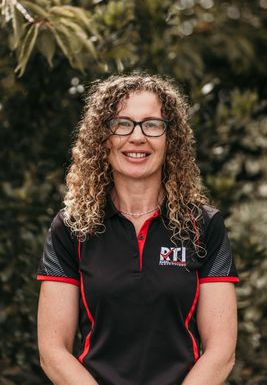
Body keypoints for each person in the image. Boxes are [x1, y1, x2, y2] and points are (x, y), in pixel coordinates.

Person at [37, 73, 239, 385]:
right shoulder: (71, 227)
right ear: (103, 138)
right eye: (122, 123)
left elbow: (221, 351)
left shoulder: (204, 226)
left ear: (170, 139)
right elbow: (53, 350)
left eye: (152, 124)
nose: (137, 137)